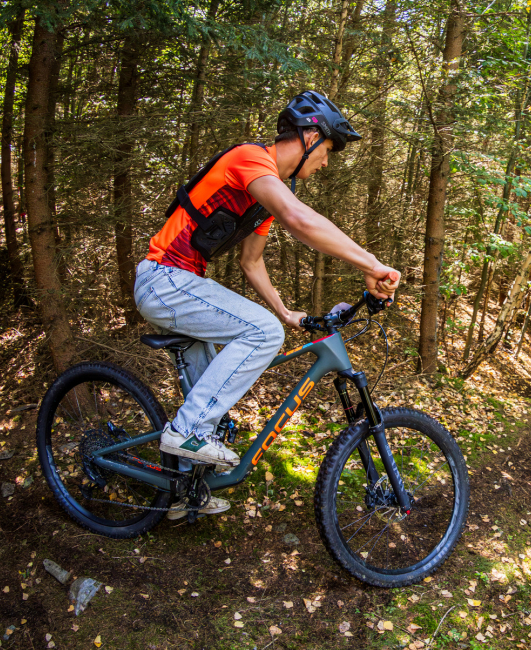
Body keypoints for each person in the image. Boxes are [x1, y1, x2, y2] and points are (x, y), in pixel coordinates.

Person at [133, 90, 399, 519]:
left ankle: (183, 491)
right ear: (310, 136)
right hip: (164, 278)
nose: (326, 163)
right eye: (328, 150)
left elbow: (251, 262)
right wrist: (371, 263)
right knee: (261, 335)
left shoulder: (263, 199)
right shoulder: (249, 159)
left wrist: (284, 311)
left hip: (181, 283)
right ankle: (186, 431)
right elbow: (300, 219)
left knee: (210, 393)